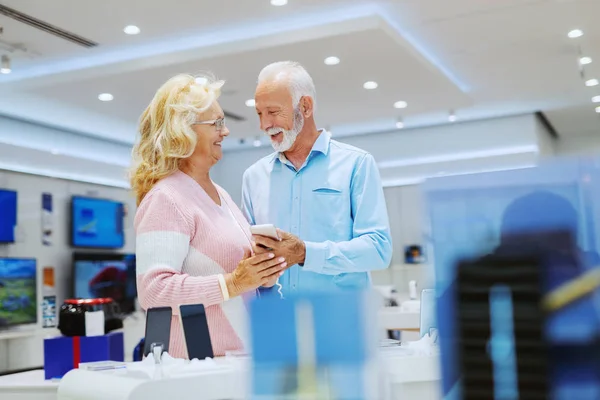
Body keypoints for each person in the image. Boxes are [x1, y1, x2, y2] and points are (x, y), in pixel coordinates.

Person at [130, 73, 288, 359]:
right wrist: (233, 283)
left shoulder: (220, 194)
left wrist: (262, 271)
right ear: (184, 131)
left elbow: (231, 272)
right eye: (216, 123)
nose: (225, 131)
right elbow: (154, 292)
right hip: (194, 368)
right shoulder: (165, 198)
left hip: (236, 360)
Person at [241, 61, 393, 295]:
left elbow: (378, 250)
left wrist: (305, 253)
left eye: (273, 112)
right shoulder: (254, 177)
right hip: (275, 321)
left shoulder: (356, 164)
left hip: (340, 321)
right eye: (259, 114)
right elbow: (247, 253)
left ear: (305, 106)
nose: (264, 125)